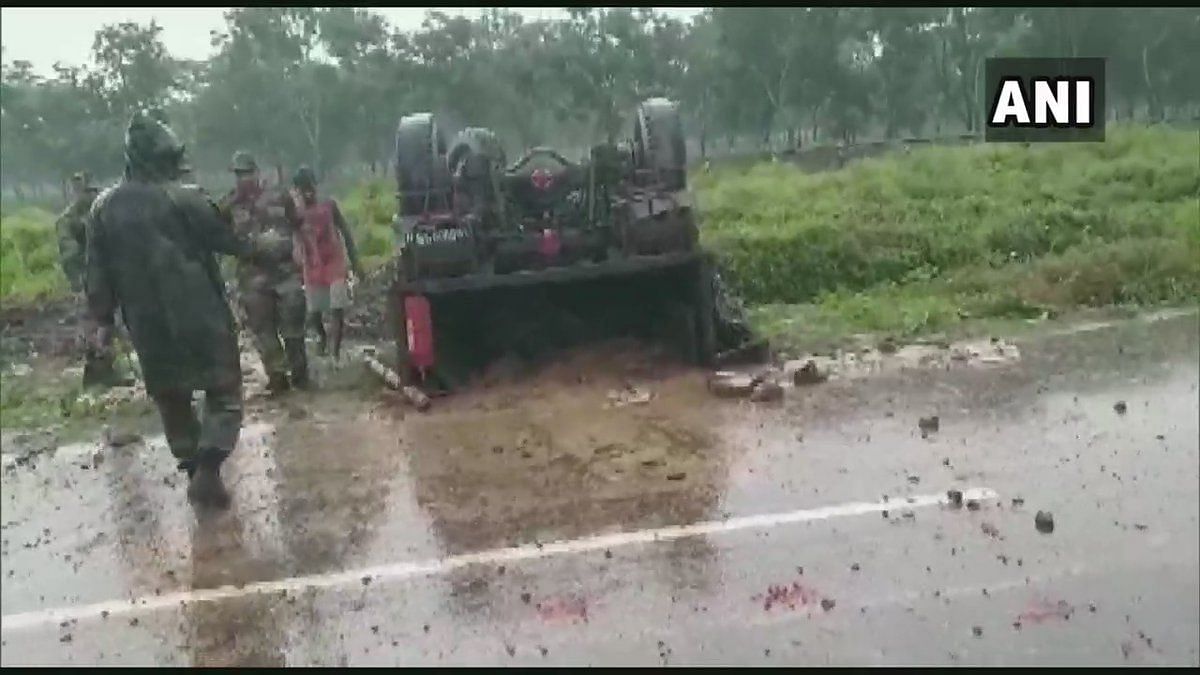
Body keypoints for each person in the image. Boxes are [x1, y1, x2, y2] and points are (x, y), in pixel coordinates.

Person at [85, 109, 267, 510]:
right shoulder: (187, 196)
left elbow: (96, 274)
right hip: (200, 315)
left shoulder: (102, 208)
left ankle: (193, 468)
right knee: (224, 390)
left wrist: (102, 322)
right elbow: (232, 241)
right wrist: (265, 248)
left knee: (171, 397)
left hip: (146, 323)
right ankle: (208, 470)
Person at [219, 151, 309, 394]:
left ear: (257, 172)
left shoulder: (280, 196)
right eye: (239, 174)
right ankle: (278, 379)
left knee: (294, 329)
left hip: (285, 272)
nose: (243, 179)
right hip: (252, 278)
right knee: (264, 332)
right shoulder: (228, 205)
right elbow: (219, 239)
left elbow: (300, 225)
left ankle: (301, 377)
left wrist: (304, 256)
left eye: (247, 173)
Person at [56, 171, 125, 388]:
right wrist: (79, 284)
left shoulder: (102, 214)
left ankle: (107, 370)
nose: (92, 194)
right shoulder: (69, 221)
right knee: (93, 327)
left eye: (94, 190)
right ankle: (96, 375)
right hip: (89, 280)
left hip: (107, 279)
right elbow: (69, 254)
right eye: (87, 190)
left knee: (109, 325)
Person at [290, 166, 364, 361]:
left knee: (337, 307)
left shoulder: (329, 205)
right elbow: (294, 239)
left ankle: (335, 354)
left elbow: (345, 231)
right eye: (303, 189)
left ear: (315, 186)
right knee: (314, 313)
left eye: (310, 187)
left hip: (334, 261)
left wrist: (356, 263)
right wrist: (296, 266)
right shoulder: (296, 213)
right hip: (312, 263)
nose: (308, 192)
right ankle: (322, 337)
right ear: (297, 190)